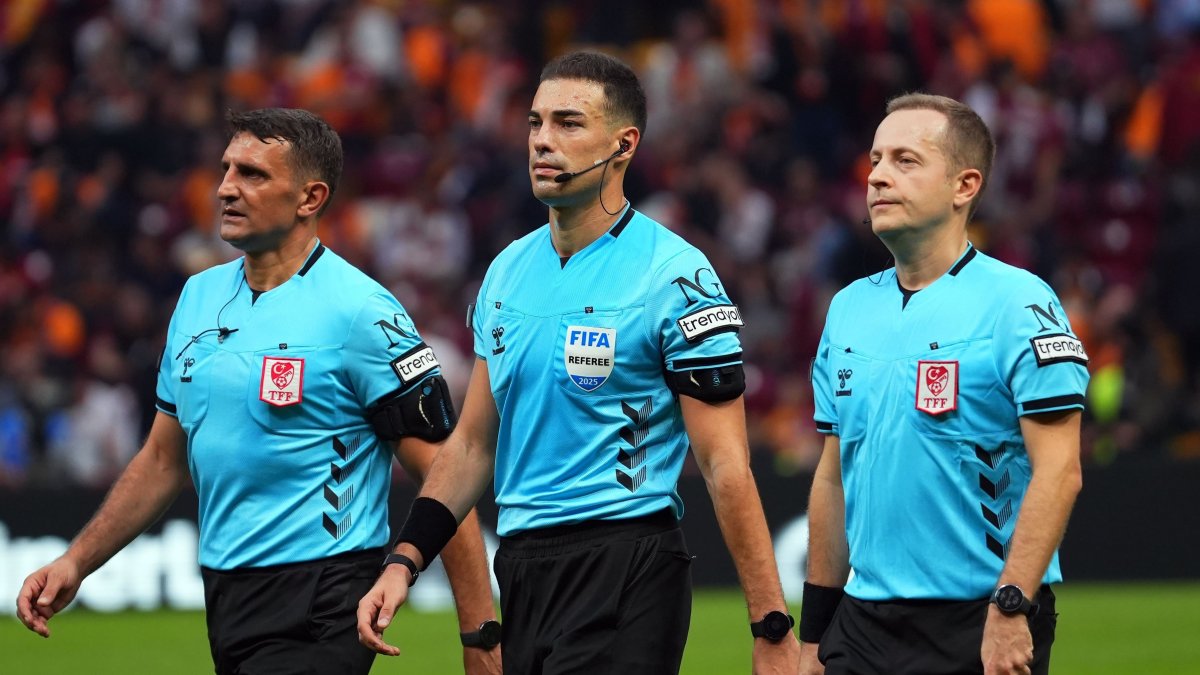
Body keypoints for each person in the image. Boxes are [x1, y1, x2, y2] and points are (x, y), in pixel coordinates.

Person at [357, 51, 802, 674]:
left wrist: (771, 624)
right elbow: (472, 446)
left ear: (623, 144)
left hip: (628, 565)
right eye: (536, 122)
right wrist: (404, 561)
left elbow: (724, 462)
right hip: (522, 569)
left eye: (568, 124)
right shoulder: (506, 272)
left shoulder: (676, 276)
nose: (543, 140)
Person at [16, 108, 502, 675]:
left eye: (252, 174)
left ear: (309, 197)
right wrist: (77, 561)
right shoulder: (197, 299)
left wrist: (479, 634)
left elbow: (448, 475)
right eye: (226, 169)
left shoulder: (361, 313)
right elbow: (161, 459)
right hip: (225, 593)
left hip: (324, 593)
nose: (225, 188)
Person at [800, 93, 1089, 675]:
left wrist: (1011, 609)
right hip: (861, 623)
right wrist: (813, 636)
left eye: (905, 161)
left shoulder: (1019, 303)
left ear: (964, 186)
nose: (878, 176)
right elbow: (832, 477)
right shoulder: (848, 308)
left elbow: (1060, 470)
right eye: (876, 159)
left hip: (980, 619)